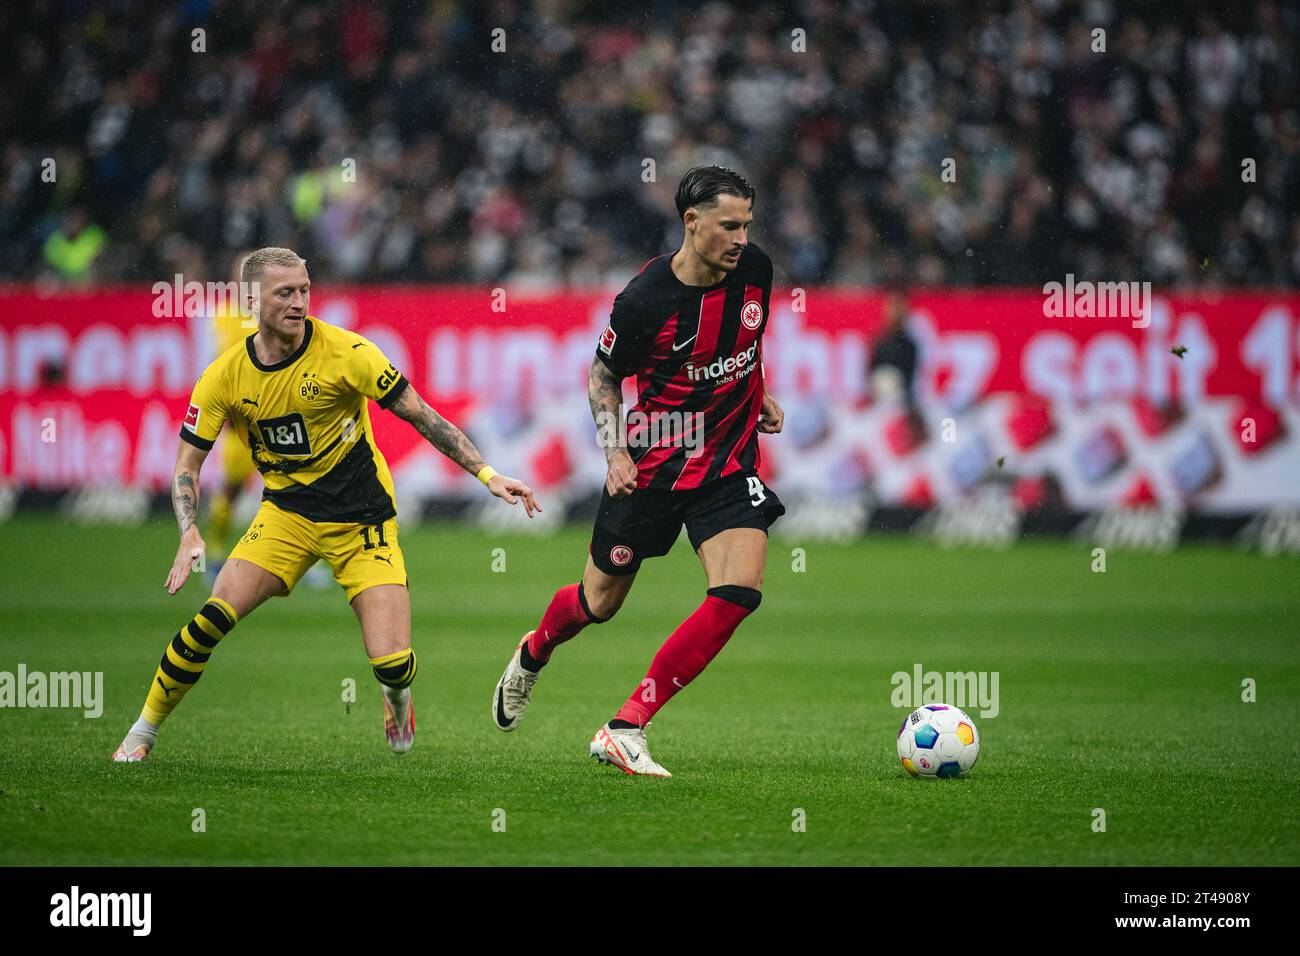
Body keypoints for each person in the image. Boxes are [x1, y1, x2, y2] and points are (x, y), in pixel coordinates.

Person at [112, 247, 539, 763]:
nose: (299, 303)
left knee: (393, 664)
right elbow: (187, 465)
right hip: (286, 517)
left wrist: (487, 475)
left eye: (305, 290)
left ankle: (396, 700)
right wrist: (189, 531)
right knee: (209, 621)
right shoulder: (222, 376)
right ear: (252, 300)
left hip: (363, 521)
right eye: (285, 293)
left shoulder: (348, 353)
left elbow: (422, 415)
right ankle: (142, 732)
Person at [491, 166, 785, 776]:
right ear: (692, 222)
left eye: (747, 225)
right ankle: (534, 649)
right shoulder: (645, 299)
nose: (741, 238)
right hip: (651, 465)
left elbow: (747, 350)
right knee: (598, 604)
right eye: (729, 226)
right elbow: (602, 377)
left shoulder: (756, 270)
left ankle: (626, 725)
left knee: (737, 593)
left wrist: (760, 395)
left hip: (727, 464)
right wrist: (613, 450)